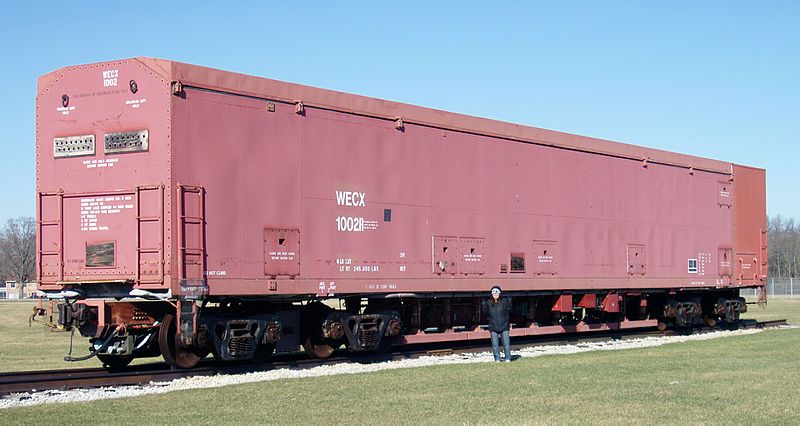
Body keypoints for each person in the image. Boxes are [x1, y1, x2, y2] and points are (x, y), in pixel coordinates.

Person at [481, 285, 512, 362]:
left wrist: (510, 301)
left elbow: (510, 309)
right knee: (495, 345)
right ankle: (497, 358)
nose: (496, 294)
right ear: (491, 294)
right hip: (493, 327)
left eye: (497, 293)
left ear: (500, 294)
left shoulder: (504, 301)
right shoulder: (488, 302)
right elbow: (485, 312)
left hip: (504, 326)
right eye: (494, 293)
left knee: (506, 344)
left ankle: (507, 358)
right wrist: (483, 303)